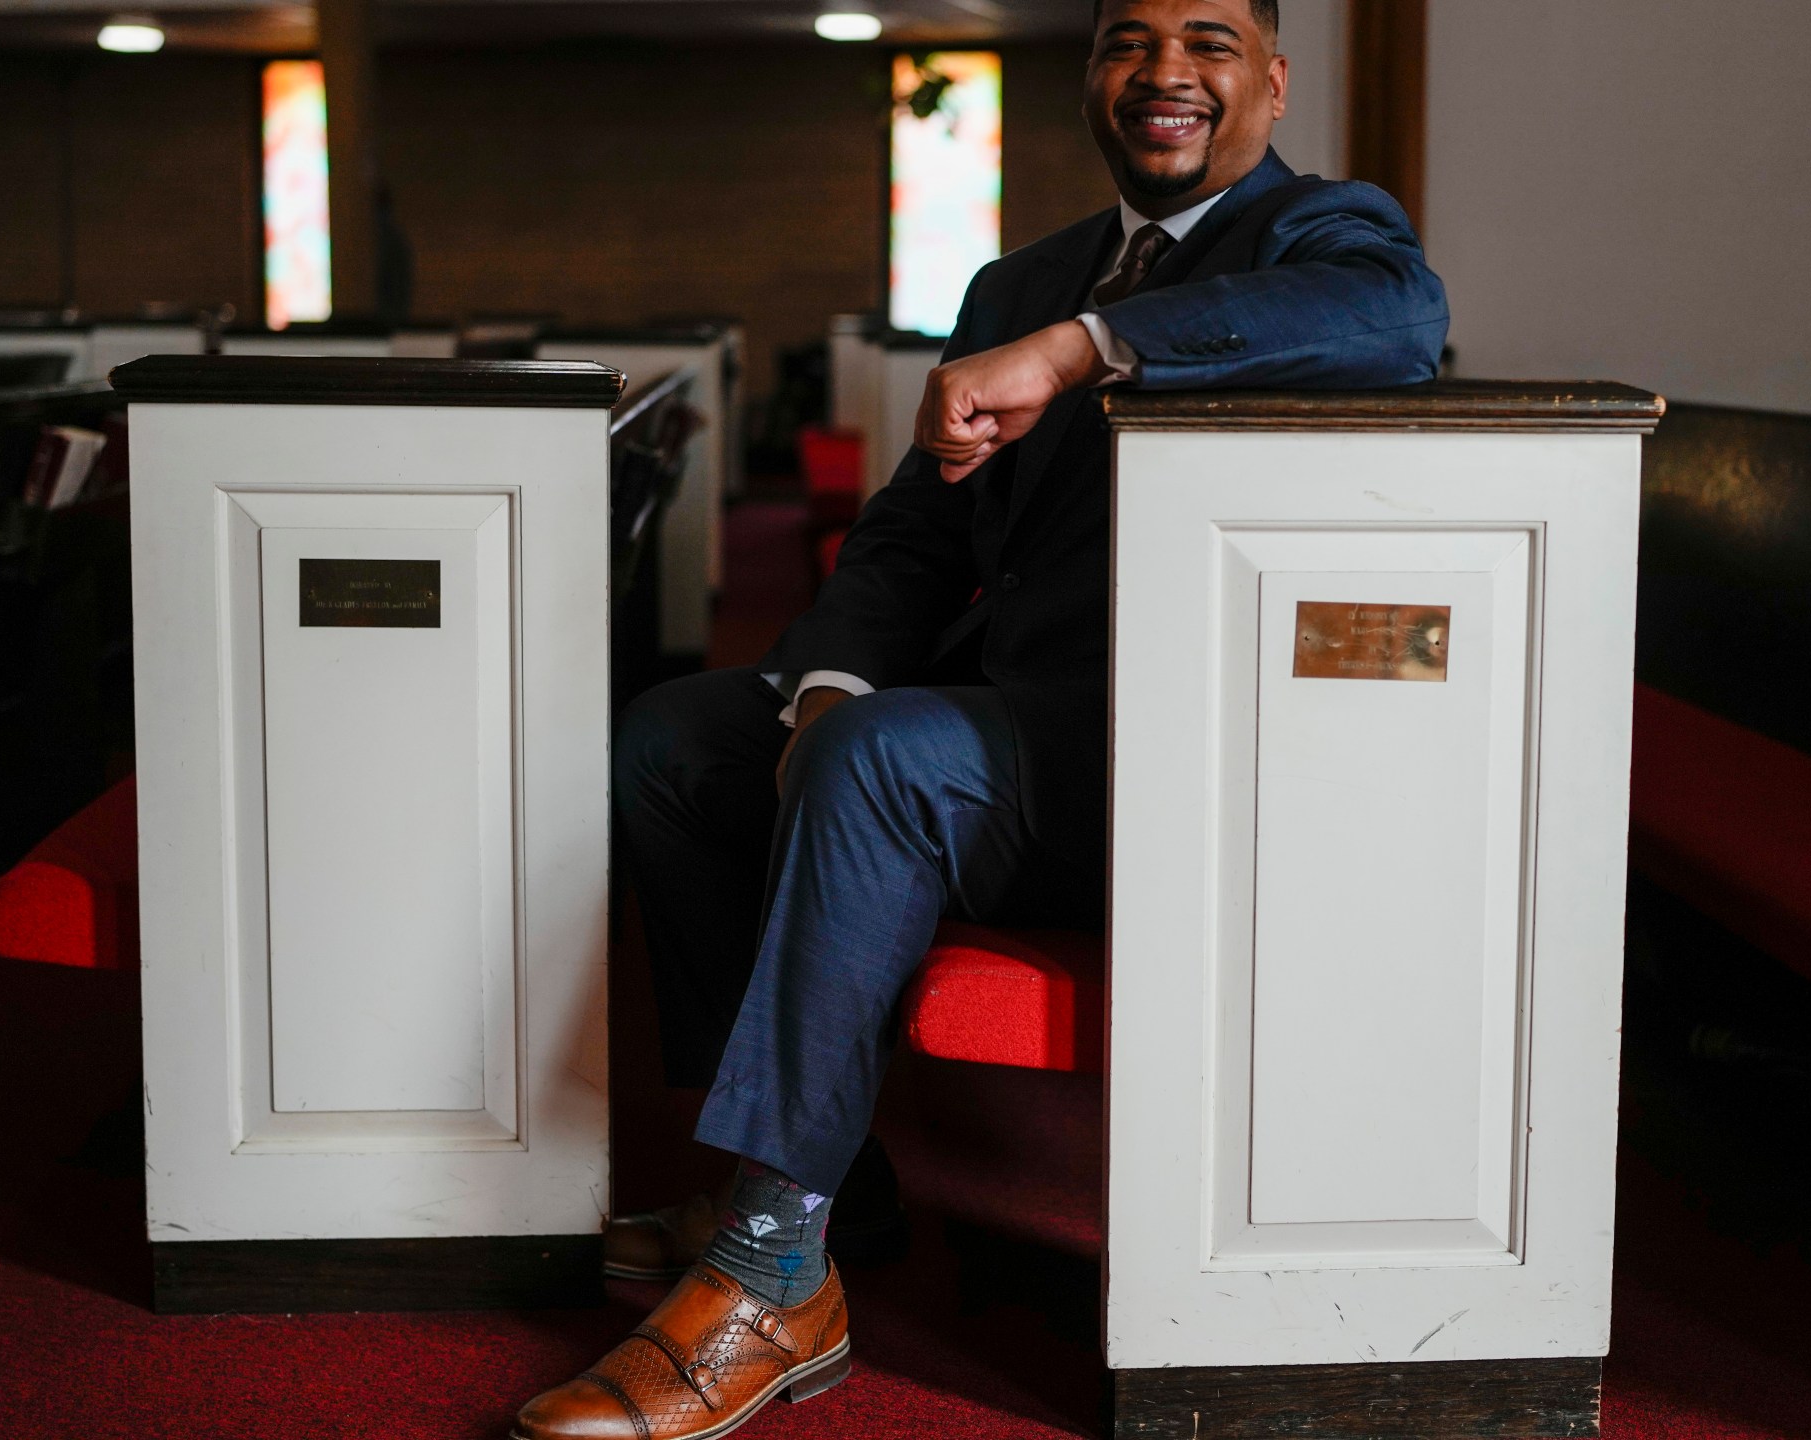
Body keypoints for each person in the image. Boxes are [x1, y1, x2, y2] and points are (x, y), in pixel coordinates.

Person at [513, 0, 1446, 1432]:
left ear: (1271, 78)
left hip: (1184, 757)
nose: (1164, 75)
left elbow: (1397, 326)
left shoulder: (1328, 236)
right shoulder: (1022, 276)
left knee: (885, 761)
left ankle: (772, 1275)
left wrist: (1082, 351)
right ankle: (822, 1183)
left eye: (1207, 42)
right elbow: (910, 540)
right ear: (1091, 81)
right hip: (1006, 724)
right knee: (678, 742)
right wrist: (819, 689)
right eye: (1128, 43)